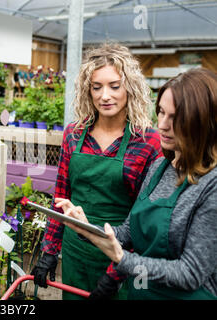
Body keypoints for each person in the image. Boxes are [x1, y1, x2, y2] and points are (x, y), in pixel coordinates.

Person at [58, 67, 217, 300]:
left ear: (204, 121)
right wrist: (87, 228)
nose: (162, 124)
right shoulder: (159, 168)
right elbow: (127, 233)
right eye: (161, 112)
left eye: (175, 118)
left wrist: (122, 260)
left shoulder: (211, 185)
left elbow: (190, 273)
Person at [31, 43, 162, 300]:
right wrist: (49, 251)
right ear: (87, 91)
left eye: (114, 86)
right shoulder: (74, 134)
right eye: (96, 87)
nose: (105, 96)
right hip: (75, 252)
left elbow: (144, 220)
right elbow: (61, 199)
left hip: (119, 255)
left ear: (130, 88)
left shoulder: (147, 141)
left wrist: (118, 271)